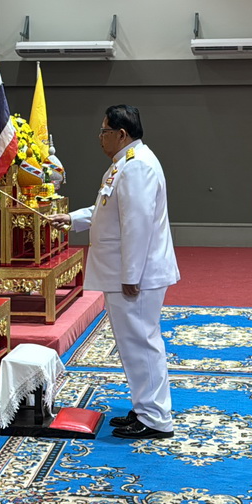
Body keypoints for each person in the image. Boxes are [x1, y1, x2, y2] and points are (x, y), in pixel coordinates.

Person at [48, 105, 179, 439]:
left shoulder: (137, 167)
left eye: (104, 131)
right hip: (127, 272)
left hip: (136, 275)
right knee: (132, 343)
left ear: (121, 134)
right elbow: (108, 210)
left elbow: (137, 224)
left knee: (140, 342)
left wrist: (131, 276)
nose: (100, 138)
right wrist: (72, 219)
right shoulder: (125, 165)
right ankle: (145, 407)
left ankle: (155, 418)